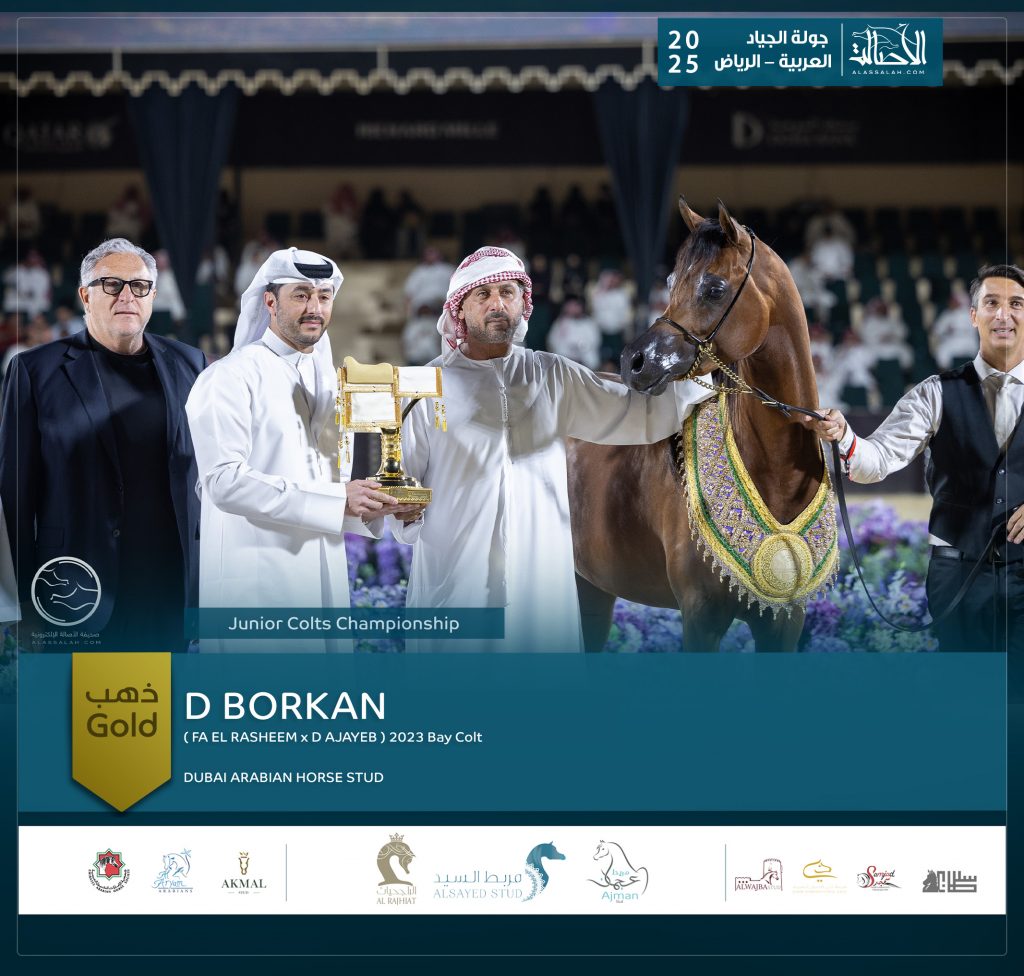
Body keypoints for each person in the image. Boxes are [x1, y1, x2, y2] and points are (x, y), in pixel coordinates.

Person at [391, 246, 713, 653]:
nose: (497, 304)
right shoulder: (424, 386)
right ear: (459, 308)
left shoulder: (551, 375)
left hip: (538, 591)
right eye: (483, 294)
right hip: (456, 583)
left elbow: (640, 412)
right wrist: (404, 511)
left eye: (508, 293)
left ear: (522, 304)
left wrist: (699, 371)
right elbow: (400, 483)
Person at [185, 247, 413, 653]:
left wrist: (370, 504)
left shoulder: (329, 382)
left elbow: (327, 485)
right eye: (301, 295)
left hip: (324, 579)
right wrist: (338, 499)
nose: (314, 308)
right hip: (258, 585)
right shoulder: (229, 377)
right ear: (269, 302)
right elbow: (223, 482)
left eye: (324, 296)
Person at [807, 265, 1024, 686]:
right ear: (973, 315)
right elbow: (877, 460)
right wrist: (845, 435)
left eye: (1016, 303)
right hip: (957, 577)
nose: (1003, 314)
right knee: (966, 699)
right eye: (991, 303)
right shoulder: (933, 392)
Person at [0, 237, 205, 651]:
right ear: (85, 296)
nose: (127, 296)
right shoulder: (34, 371)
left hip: (168, 588)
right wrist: (20, 602)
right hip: (73, 588)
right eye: (112, 284)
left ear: (152, 296)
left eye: (140, 286)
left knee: (165, 694)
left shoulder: (190, 364)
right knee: (76, 695)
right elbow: (14, 496)